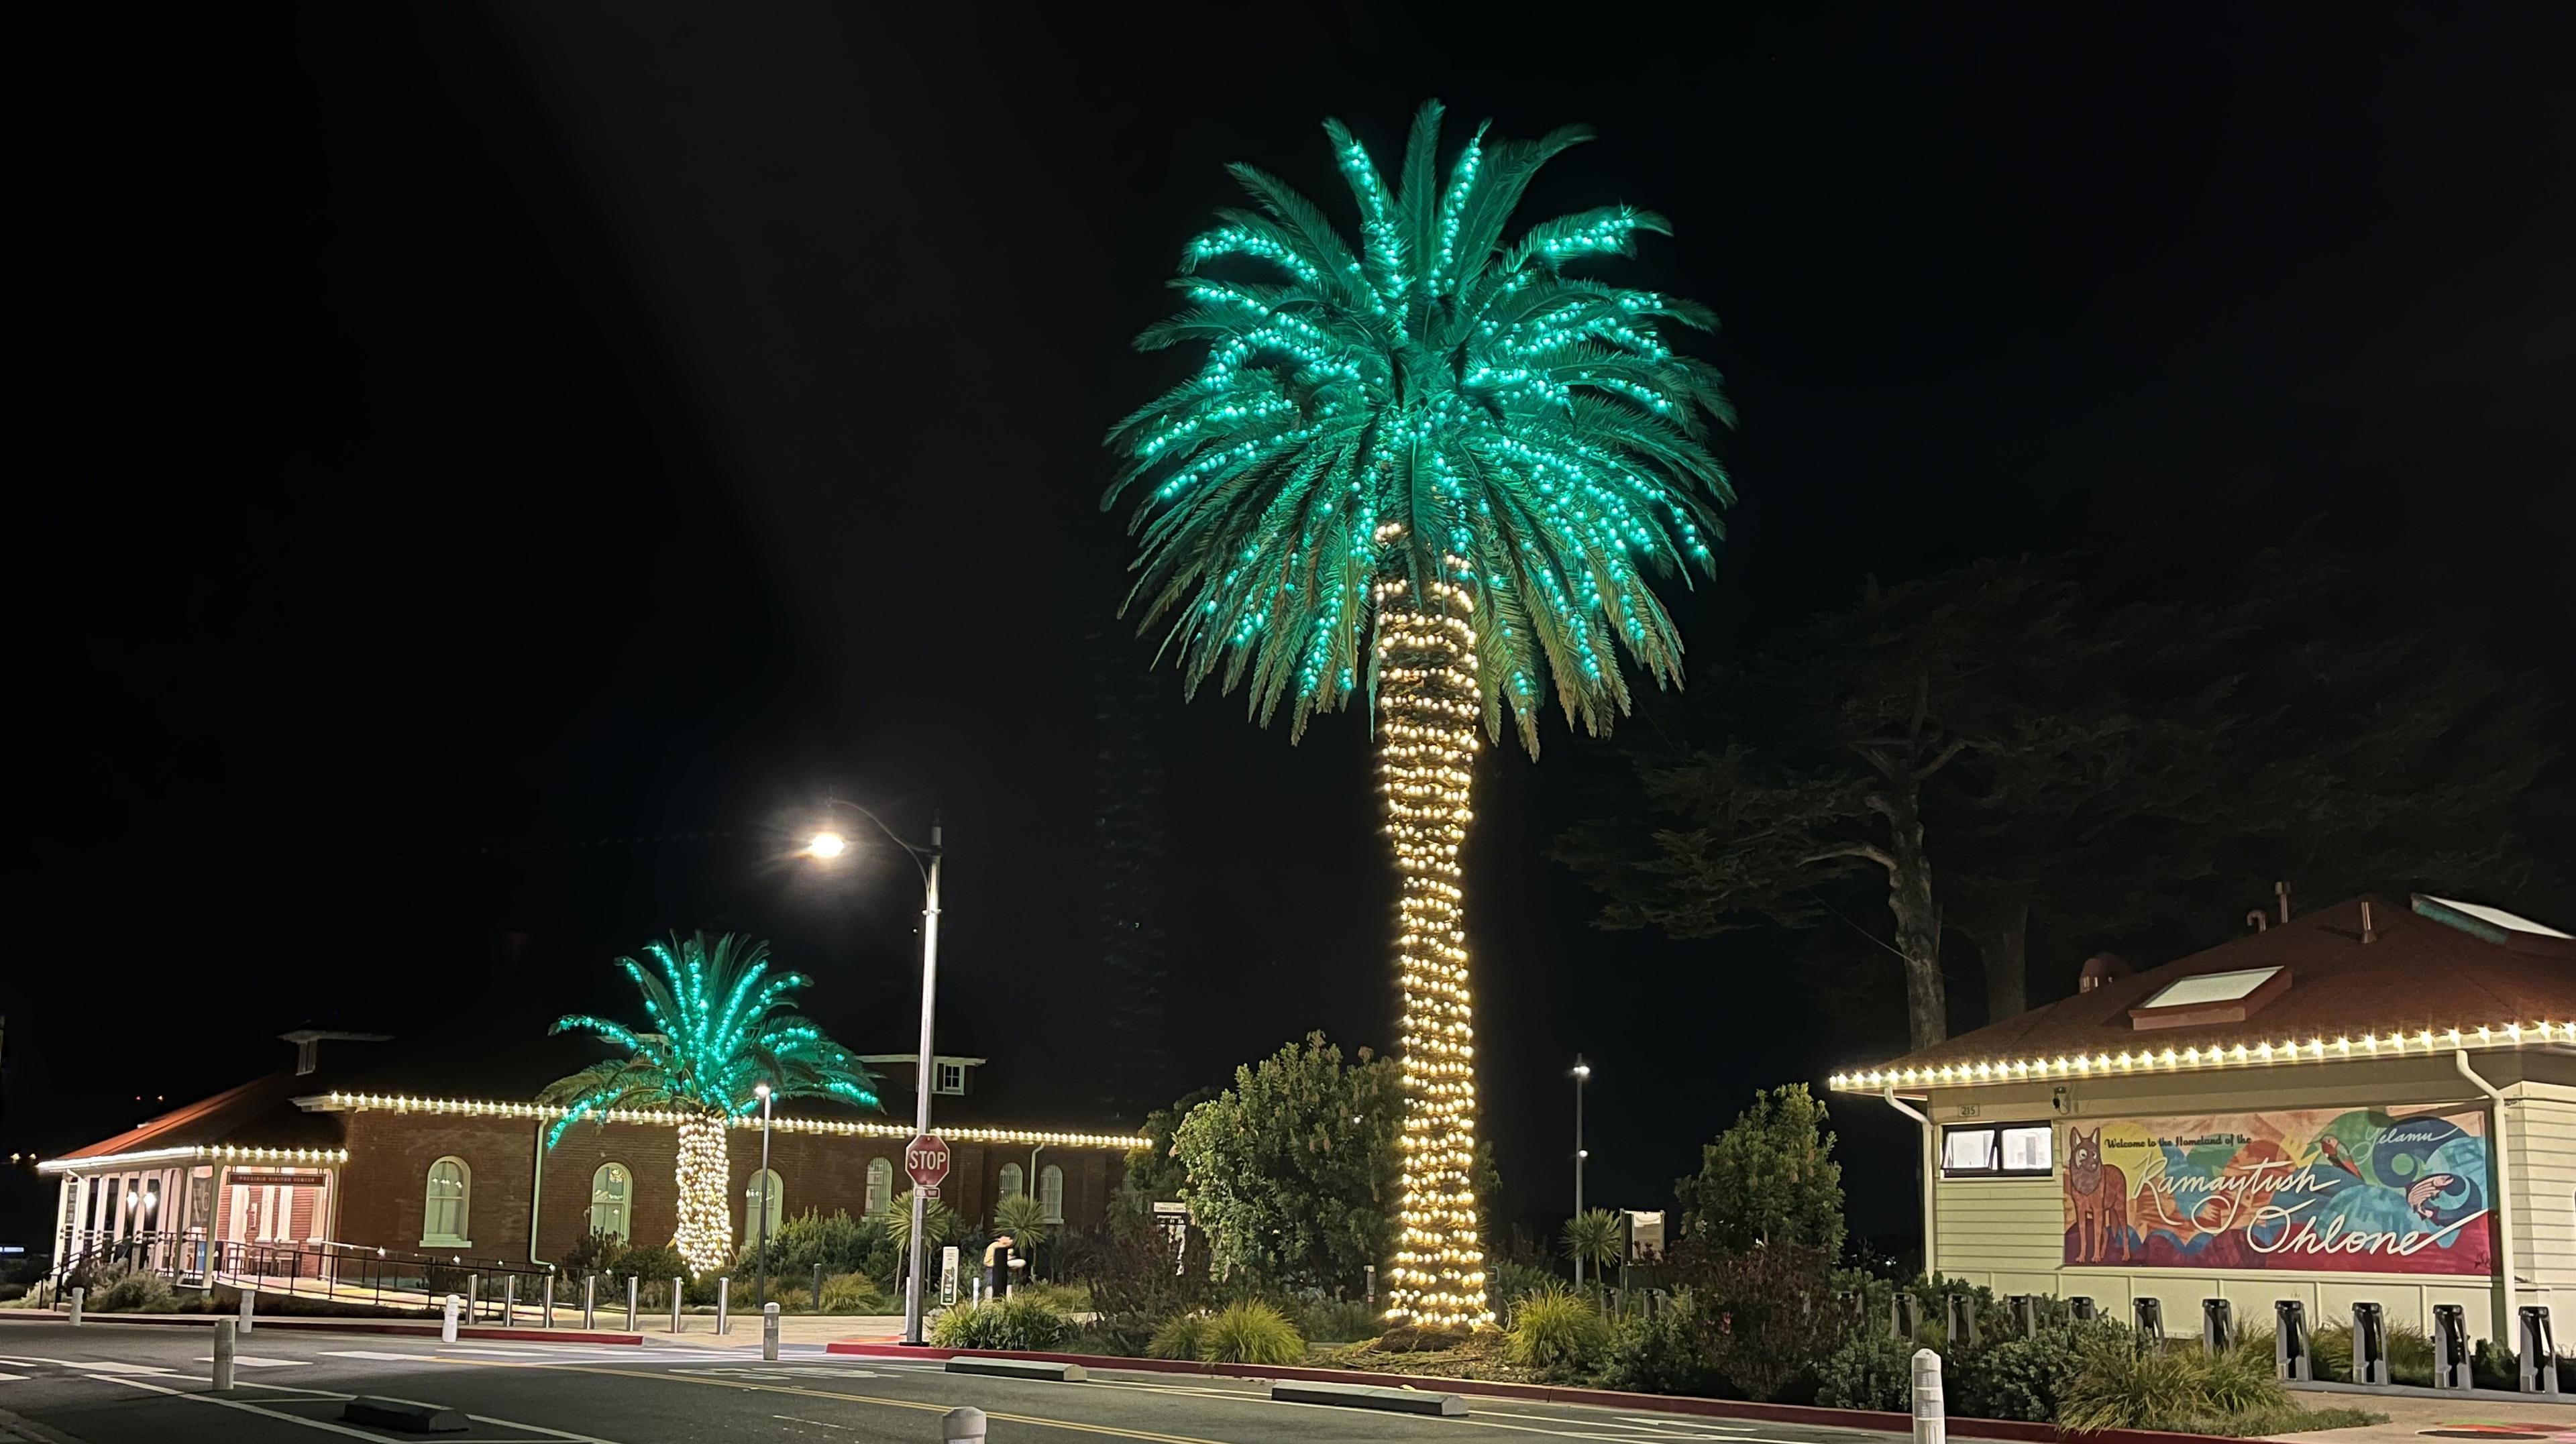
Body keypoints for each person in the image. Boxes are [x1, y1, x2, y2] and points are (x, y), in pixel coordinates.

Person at [981, 1233, 1014, 1302]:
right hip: (992, 1269)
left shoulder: (1008, 1248)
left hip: (1002, 1269)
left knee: (1004, 1285)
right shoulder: (995, 1246)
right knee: (992, 1286)